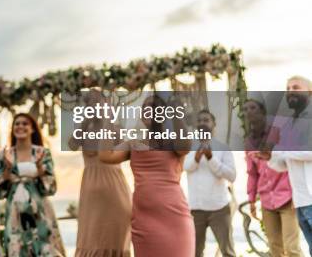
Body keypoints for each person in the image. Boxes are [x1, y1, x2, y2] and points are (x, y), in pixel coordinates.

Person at [99, 94, 194, 257]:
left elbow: (185, 147)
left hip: (174, 218)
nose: (150, 110)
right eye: (146, 107)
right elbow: (105, 156)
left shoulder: (173, 141)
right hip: (144, 221)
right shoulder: (134, 143)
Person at [0, 112, 66, 256]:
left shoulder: (42, 153)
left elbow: (51, 189)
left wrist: (40, 172)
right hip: (15, 214)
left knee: (46, 250)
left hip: (40, 212)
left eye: (25, 123)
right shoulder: (5, 155)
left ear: (32, 129)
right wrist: (6, 176)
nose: (20, 126)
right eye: (17, 124)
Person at [70, 90, 131, 257]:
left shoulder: (115, 128)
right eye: (90, 102)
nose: (95, 105)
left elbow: (124, 152)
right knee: (90, 236)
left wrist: (107, 120)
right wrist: (87, 120)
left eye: (98, 102)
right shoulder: (83, 127)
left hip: (115, 189)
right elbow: (72, 145)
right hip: (91, 190)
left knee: (115, 236)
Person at [257, 76, 312, 255]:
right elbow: (283, 165)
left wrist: (283, 150)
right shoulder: (290, 124)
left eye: (296, 87)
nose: (290, 91)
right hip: (301, 201)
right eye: (287, 88)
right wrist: (269, 157)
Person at [244, 98, 303, 257]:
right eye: (246, 109)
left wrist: (296, 193)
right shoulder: (248, 142)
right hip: (266, 201)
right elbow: (252, 173)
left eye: (253, 108)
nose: (249, 112)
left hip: (287, 198)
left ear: (263, 112)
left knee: (292, 248)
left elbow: (291, 163)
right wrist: (251, 200)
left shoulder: (278, 134)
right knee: (275, 249)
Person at [183, 110, 236, 257]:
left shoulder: (223, 148)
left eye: (206, 120)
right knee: (195, 252)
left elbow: (232, 176)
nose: (202, 123)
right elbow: (185, 167)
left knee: (228, 252)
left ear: (214, 124)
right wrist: (197, 157)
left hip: (219, 209)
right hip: (195, 209)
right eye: (199, 121)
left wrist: (211, 158)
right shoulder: (189, 146)